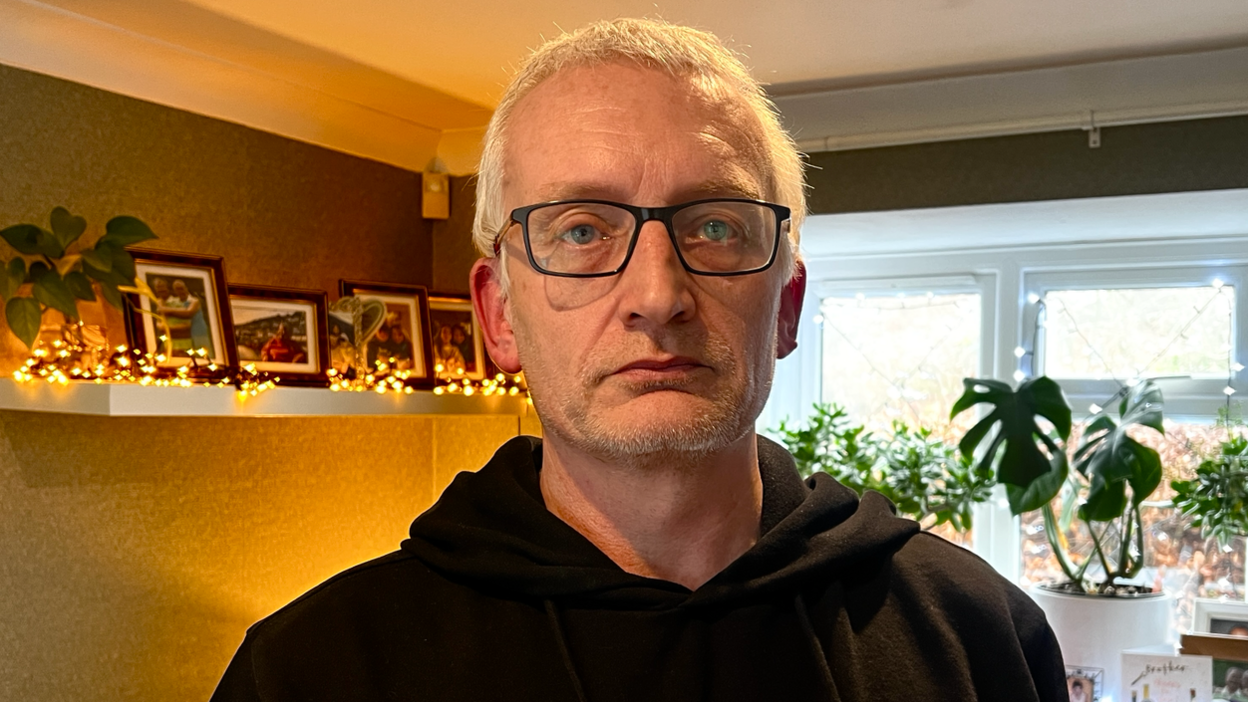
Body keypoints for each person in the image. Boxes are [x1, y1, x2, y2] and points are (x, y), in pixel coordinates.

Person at [210, 18, 1067, 702]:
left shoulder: (982, 640)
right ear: (498, 314)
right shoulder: (311, 672)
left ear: (788, 308)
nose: (657, 294)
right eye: (582, 230)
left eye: (717, 226)